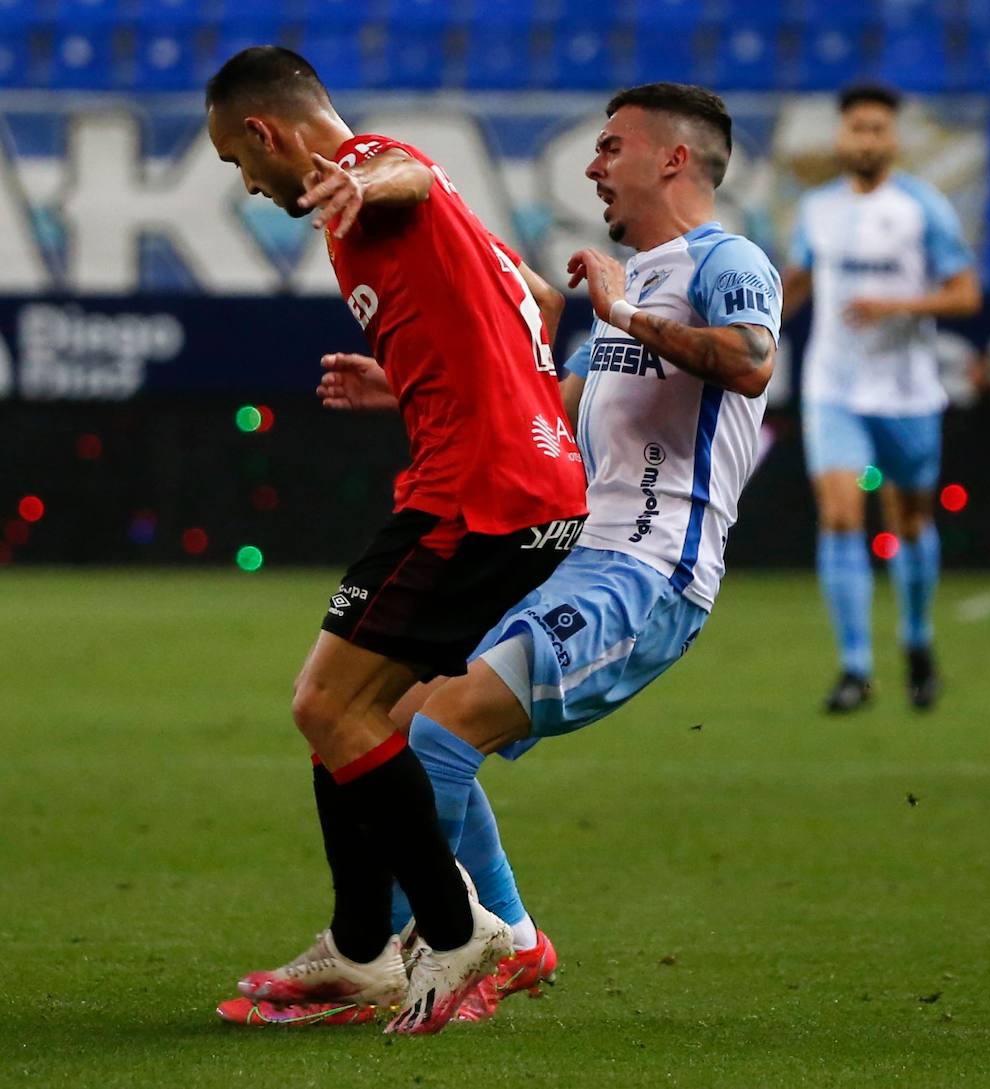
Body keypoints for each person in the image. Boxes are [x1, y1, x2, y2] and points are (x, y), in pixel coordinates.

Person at [227, 81, 781, 1034]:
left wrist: (621, 308)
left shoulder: (727, 260)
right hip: (575, 553)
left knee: (429, 734)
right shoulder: (639, 274)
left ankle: (440, 947)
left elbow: (749, 360)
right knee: (388, 718)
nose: (593, 164)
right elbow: (546, 407)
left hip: (648, 573)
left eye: (612, 146)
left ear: (674, 159)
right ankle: (459, 942)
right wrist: (403, 388)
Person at [204, 45, 588, 1034]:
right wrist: (429, 383)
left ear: (266, 131)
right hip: (524, 481)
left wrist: (358, 175)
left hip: (478, 496)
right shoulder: (438, 218)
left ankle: (462, 935)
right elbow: (539, 301)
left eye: (239, 162)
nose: (247, 184)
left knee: (327, 704)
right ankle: (363, 949)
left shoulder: (380, 171)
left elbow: (400, 172)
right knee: (359, 707)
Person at [781, 84, 981, 715]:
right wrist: (753, 330)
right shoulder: (816, 210)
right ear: (841, 138)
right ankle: (855, 668)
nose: (866, 139)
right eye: (856, 129)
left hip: (907, 389)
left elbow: (965, 294)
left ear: (893, 139)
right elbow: (801, 282)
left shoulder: (926, 208)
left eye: (877, 129)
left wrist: (897, 305)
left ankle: (918, 643)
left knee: (911, 520)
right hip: (833, 385)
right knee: (840, 514)